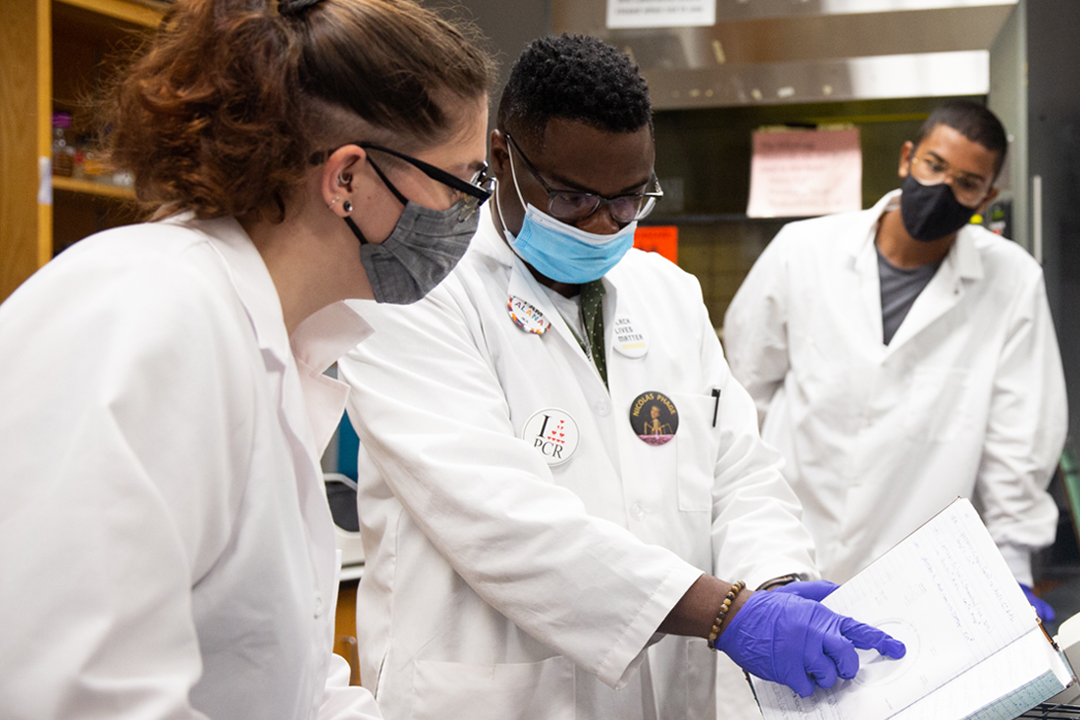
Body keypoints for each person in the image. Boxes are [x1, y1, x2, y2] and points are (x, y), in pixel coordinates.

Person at [338, 34, 903, 720]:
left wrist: (776, 581)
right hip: (498, 697)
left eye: (631, 199)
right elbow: (502, 520)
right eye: (574, 198)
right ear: (500, 158)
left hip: (668, 696)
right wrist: (727, 612)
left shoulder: (667, 291)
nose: (604, 225)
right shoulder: (419, 292)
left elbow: (740, 473)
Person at [0, 0, 494, 717]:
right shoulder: (148, 313)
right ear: (348, 179)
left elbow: (280, 673)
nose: (470, 214)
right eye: (462, 182)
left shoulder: (274, 341)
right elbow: (78, 693)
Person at [724, 100, 1067, 620]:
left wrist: (1010, 567)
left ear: (988, 195)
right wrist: (752, 529)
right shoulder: (804, 249)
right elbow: (740, 398)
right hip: (784, 551)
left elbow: (1018, 444)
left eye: (967, 183)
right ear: (908, 158)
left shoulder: (1012, 281)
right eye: (935, 166)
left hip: (919, 575)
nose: (943, 190)